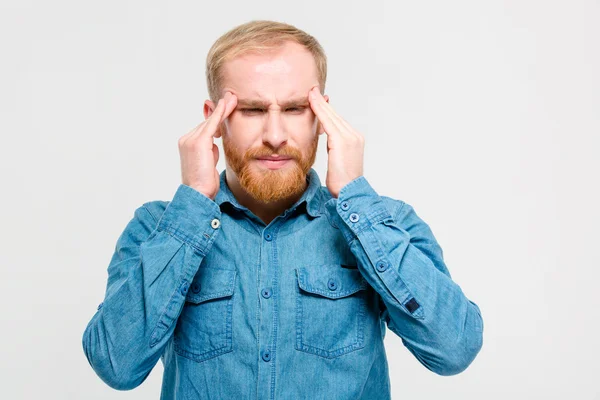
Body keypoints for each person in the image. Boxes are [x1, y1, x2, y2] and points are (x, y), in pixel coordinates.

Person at [82, 19, 484, 399]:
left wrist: (355, 201)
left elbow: (453, 349)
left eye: (294, 109)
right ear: (215, 120)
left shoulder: (387, 224)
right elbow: (116, 366)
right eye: (253, 110)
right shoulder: (158, 228)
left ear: (323, 116)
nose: (275, 136)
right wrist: (193, 205)